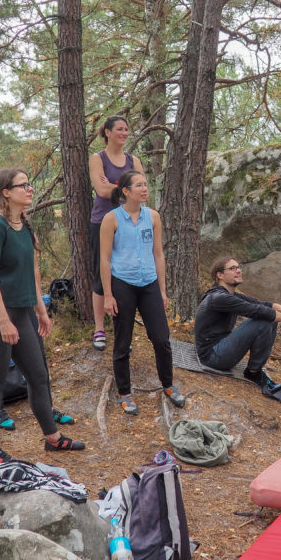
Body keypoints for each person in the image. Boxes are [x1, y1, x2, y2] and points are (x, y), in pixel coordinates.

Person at [0, 168, 84, 464]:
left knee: (38, 376)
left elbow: (31, 274)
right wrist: (4, 321)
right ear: (6, 192)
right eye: (23, 185)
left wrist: (41, 311)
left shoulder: (26, 227)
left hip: (23, 313)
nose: (30, 189)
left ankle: (52, 438)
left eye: (30, 184)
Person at [100, 169, 184, 415]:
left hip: (148, 283)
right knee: (122, 342)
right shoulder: (111, 219)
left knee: (161, 338)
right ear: (125, 191)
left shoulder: (153, 216)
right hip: (122, 284)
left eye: (146, 184)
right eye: (139, 185)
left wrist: (162, 290)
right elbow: (104, 259)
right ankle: (125, 393)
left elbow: (158, 253)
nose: (145, 189)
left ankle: (168, 385)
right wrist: (107, 295)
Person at [194, 256, 281, 390]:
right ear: (220, 275)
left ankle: (255, 370)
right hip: (212, 357)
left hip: (222, 349)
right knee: (264, 320)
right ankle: (253, 373)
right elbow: (257, 310)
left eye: (238, 267)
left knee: (270, 318)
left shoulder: (231, 295)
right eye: (232, 268)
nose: (238, 271)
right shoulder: (219, 298)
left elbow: (263, 304)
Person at [88, 115, 144, 352]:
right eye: (119, 129)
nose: (124, 133)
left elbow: (141, 190)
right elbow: (101, 191)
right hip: (102, 223)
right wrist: (125, 190)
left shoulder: (134, 160)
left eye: (126, 129)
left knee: (124, 278)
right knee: (102, 276)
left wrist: (116, 187)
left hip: (130, 223)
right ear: (107, 132)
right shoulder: (97, 158)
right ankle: (99, 329)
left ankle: (121, 332)